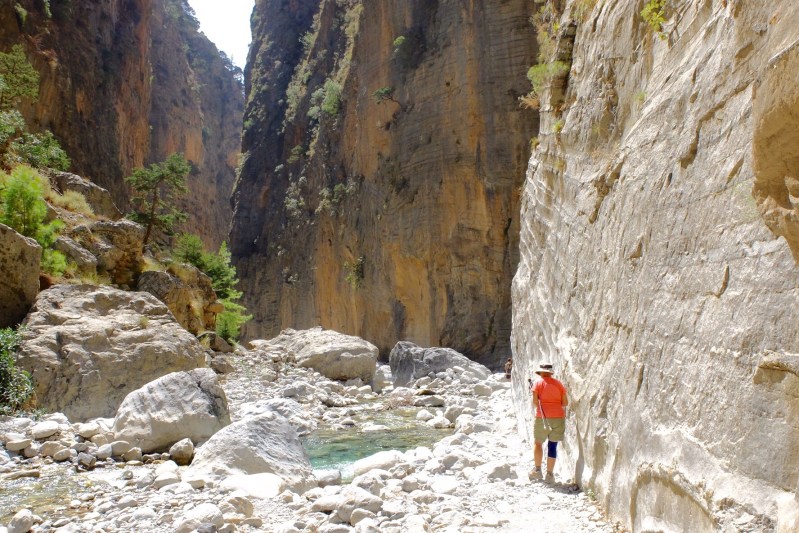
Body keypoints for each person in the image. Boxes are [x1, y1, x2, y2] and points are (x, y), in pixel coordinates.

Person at [528, 363, 568, 483]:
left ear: (541, 372)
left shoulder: (538, 383)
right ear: (550, 373)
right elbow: (565, 403)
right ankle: (550, 475)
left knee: (538, 443)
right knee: (552, 445)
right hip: (558, 417)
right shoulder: (559, 384)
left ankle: (538, 471)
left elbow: (535, 403)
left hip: (542, 417)